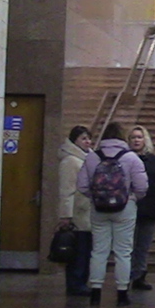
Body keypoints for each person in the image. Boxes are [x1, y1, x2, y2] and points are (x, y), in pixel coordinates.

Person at [75, 123, 149, 306]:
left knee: (99, 251)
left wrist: (96, 197)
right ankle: (122, 293)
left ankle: (96, 292)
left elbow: (82, 185)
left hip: (99, 208)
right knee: (123, 251)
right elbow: (142, 187)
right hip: (125, 208)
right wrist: (131, 198)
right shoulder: (131, 158)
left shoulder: (92, 157)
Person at [127, 125, 155, 291]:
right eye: (133, 137)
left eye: (139, 137)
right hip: (129, 208)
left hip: (150, 209)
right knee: (128, 246)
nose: (136, 140)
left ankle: (139, 275)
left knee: (143, 245)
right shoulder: (125, 159)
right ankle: (126, 275)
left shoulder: (154, 161)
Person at [59, 125, 96, 295]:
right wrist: (66, 215)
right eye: (83, 138)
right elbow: (66, 190)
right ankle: (75, 282)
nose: (88, 142)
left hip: (87, 211)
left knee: (85, 249)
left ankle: (81, 281)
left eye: (89, 138)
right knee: (78, 250)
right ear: (75, 141)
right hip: (77, 212)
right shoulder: (71, 161)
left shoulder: (88, 158)